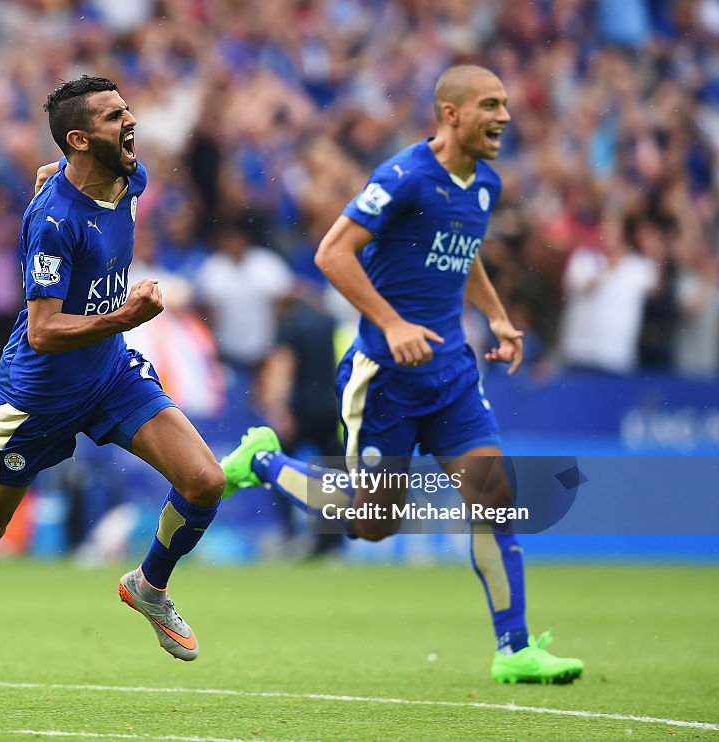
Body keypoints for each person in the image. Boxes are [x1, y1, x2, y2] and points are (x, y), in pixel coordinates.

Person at [0, 76, 226, 689]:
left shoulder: (130, 176)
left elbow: (63, 167)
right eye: (114, 117)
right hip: (38, 396)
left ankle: (149, 585)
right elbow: (43, 331)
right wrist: (126, 317)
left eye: (127, 110)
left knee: (205, 481)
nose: (130, 123)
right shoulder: (53, 221)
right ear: (82, 138)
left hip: (108, 374)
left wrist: (60, 167)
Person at [220, 65, 584, 684]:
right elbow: (331, 252)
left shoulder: (485, 184)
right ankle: (264, 463)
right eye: (490, 105)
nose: (504, 117)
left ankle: (515, 649)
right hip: (384, 378)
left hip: (450, 377)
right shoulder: (407, 175)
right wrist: (391, 323)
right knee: (373, 523)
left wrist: (497, 318)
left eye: (505, 105)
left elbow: (461, 257)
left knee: (494, 498)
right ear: (452, 114)